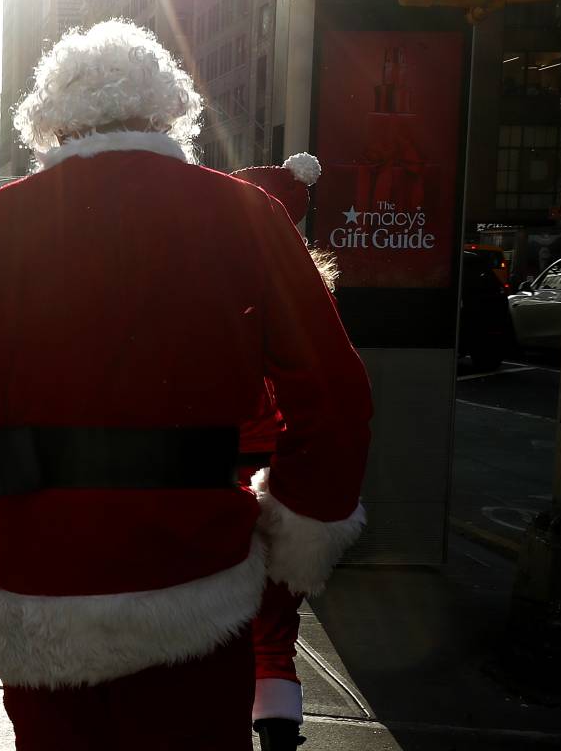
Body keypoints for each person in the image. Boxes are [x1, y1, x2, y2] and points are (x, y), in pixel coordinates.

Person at [0, 20, 372, 750]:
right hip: (197, 569)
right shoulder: (247, 214)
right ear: (168, 111)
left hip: (45, 567)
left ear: (54, 120)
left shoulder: (3, 220)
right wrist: (298, 520)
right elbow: (334, 390)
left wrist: (4, 460)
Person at [233, 153, 335, 751]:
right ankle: (278, 729)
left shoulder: (202, 290)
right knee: (274, 625)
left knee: (214, 620)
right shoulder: (309, 296)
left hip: (223, 471)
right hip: (286, 475)